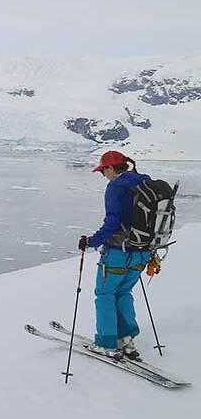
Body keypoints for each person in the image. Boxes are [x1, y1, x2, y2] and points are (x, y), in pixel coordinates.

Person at [78, 150, 154, 361]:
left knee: (105, 295)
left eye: (103, 171)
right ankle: (127, 340)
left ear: (111, 168)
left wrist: (91, 241)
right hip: (143, 253)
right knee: (123, 293)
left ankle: (106, 343)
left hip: (118, 254)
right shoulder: (145, 183)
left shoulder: (115, 187)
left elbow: (112, 223)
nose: (104, 175)